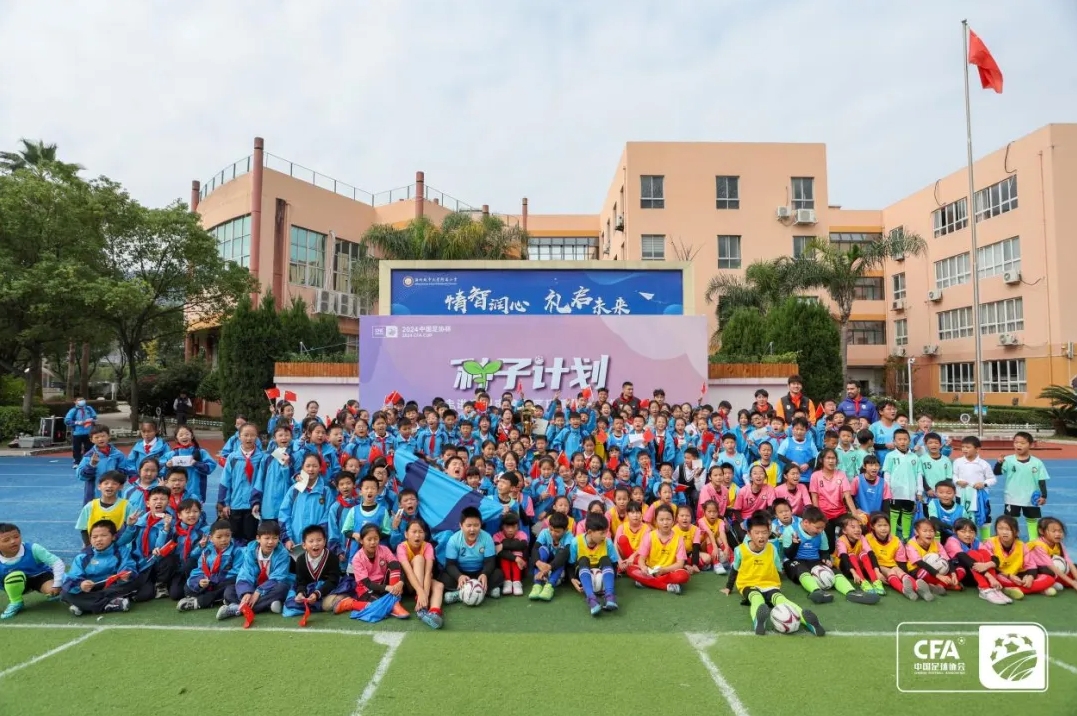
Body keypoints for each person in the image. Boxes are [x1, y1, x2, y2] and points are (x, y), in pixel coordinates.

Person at [721, 511, 825, 636]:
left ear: (769, 532)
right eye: (757, 533)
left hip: (770, 584)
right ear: (749, 534)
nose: (761, 536)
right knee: (756, 598)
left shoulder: (772, 549)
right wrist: (728, 587)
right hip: (748, 584)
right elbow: (735, 569)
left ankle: (810, 622)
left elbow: (779, 568)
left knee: (782, 600)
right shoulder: (740, 550)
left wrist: (781, 571)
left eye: (764, 532)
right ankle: (759, 621)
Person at [782, 506, 878, 605]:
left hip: (814, 560)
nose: (820, 531)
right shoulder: (790, 530)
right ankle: (816, 591)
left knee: (835, 571)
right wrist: (795, 544)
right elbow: (789, 555)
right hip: (795, 560)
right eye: (817, 528)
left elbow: (824, 551)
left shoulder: (821, 533)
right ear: (806, 523)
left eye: (822, 528)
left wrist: (825, 559)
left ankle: (851, 592)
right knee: (800, 569)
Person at [217, 520, 291, 624]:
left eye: (275, 538)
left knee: (282, 588)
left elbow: (278, 577)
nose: (271, 542)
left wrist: (258, 592)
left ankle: (237, 608)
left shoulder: (282, 553)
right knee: (229, 591)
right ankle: (267, 605)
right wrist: (246, 592)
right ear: (258, 538)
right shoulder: (251, 551)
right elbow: (245, 573)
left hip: (270, 587)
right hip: (254, 586)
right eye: (267, 538)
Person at [61, 520, 138, 616]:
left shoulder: (121, 551)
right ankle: (109, 604)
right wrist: (81, 584)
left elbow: (129, 566)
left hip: (112, 586)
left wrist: (127, 574)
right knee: (65, 593)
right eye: (94, 537)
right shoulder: (82, 557)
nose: (98, 540)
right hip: (91, 588)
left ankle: (83, 605)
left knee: (130, 584)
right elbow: (73, 577)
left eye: (103, 536)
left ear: (113, 537)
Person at [333, 524, 409, 619]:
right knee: (377, 607)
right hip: (367, 590)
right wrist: (387, 588)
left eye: (376, 539)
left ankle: (395, 603)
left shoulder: (384, 550)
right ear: (361, 541)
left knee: (394, 564)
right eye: (369, 539)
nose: (373, 542)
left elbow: (398, 566)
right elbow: (367, 583)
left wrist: (401, 582)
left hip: (384, 586)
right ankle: (349, 603)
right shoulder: (357, 559)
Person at [0, 523, 65, 619]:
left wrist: (57, 584)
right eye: (6, 540)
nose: (13, 541)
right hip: (11, 583)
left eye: (16, 537)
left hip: (39, 577)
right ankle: (16, 602)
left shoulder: (33, 548)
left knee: (54, 589)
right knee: (15, 576)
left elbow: (57, 562)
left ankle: (55, 593)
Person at [559, 512, 619, 616]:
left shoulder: (607, 542)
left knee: (605, 559)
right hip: (583, 576)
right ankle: (591, 599)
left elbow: (614, 564)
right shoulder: (576, 542)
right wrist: (572, 579)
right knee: (583, 559)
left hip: (602, 578)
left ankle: (609, 596)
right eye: (602, 533)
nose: (605, 536)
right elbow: (570, 565)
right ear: (590, 532)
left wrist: (609, 582)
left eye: (606, 532)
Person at [982, 515, 1057, 598]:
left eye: (1008, 529)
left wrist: (1030, 577)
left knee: (1050, 578)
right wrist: (1009, 576)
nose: (1004, 532)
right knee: (996, 578)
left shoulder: (1022, 546)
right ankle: (1039, 588)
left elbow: (1031, 566)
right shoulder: (990, 543)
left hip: (1019, 575)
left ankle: (1013, 589)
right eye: (1000, 529)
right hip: (1001, 575)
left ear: (1016, 532)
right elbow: (987, 565)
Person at [439, 507, 503, 603]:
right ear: (461, 526)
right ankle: (484, 591)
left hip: (480, 572)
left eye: (476, 525)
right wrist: (459, 576)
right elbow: (450, 564)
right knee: (444, 578)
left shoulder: (487, 538)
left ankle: (461, 593)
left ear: (481, 524)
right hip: (462, 573)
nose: (472, 529)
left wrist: (485, 573)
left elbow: (490, 561)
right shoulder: (453, 540)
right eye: (468, 525)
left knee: (498, 574)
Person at [217, 423, 267, 545]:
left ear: (257, 437)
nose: (249, 438)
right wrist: (225, 503)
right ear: (239, 437)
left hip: (252, 506)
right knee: (234, 537)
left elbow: (263, 482)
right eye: (246, 435)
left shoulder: (262, 458)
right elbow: (225, 481)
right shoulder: (233, 458)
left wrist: (258, 501)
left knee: (250, 537)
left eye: (252, 435)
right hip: (235, 504)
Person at [943, 517, 1012, 605]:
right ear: (955, 532)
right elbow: (966, 560)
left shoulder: (975, 541)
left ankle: (994, 588)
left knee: (984, 552)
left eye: (971, 532)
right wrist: (990, 576)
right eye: (963, 531)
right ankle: (984, 589)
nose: (968, 535)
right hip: (961, 574)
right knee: (972, 553)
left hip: (977, 573)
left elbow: (994, 558)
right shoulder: (952, 541)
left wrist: (988, 565)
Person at [994, 431, 1049, 539]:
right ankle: (1011, 540)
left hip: (1031, 498)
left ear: (1030, 445)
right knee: (1011, 520)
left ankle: (1033, 542)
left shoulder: (1037, 462)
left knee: (1032, 520)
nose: (1018, 445)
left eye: (1022, 443)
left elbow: (1041, 480)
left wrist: (1044, 496)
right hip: (1012, 497)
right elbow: (997, 472)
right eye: (1016, 442)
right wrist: (999, 463)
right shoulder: (1008, 460)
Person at [282, 525, 345, 618]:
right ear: (304, 545)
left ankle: (340, 600)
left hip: (326, 589)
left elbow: (333, 580)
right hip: (308, 590)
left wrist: (317, 593)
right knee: (291, 604)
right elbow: (301, 581)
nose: (315, 544)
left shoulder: (332, 558)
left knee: (328, 603)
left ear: (325, 542)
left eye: (319, 540)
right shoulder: (300, 560)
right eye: (311, 541)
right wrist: (301, 593)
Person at [625, 504, 690, 594]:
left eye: (668, 519)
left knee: (683, 575)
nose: (665, 523)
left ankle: (646, 581)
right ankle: (667, 587)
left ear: (673, 521)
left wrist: (664, 570)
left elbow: (680, 564)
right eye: (661, 520)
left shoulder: (679, 539)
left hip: (669, 571)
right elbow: (641, 559)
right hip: (650, 570)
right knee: (630, 569)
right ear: (656, 521)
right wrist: (643, 567)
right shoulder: (649, 536)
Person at [177, 520, 239, 611]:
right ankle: (215, 598)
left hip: (223, 581)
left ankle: (201, 601)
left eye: (227, 536)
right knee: (188, 587)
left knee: (232, 584)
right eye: (219, 537)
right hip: (210, 582)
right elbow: (200, 569)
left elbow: (236, 572)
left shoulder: (237, 551)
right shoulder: (207, 551)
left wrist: (214, 579)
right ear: (211, 538)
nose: (224, 539)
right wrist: (199, 582)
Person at [396, 518, 445, 628]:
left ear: (425, 534)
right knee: (419, 559)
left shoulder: (427, 546)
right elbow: (408, 572)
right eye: (414, 532)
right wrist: (420, 593)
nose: (417, 535)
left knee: (439, 586)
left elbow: (428, 572)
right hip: (408, 584)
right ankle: (422, 609)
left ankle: (434, 613)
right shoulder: (401, 547)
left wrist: (425, 595)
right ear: (406, 534)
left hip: (423, 583)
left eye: (420, 532)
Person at [902, 519, 961, 599]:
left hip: (937, 570)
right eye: (925, 531)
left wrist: (953, 574)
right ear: (916, 532)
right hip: (918, 570)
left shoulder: (936, 543)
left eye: (931, 531)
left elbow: (947, 558)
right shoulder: (911, 544)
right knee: (923, 573)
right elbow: (920, 563)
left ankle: (938, 585)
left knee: (960, 570)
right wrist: (939, 576)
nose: (929, 534)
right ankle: (945, 584)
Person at [882, 428, 921, 541]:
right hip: (895, 492)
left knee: (907, 515)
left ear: (909, 441)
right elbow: (887, 473)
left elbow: (918, 474)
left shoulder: (914, 457)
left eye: (905, 439)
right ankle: (892, 538)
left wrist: (919, 491)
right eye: (899, 439)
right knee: (893, 515)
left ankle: (906, 538)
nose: (902, 442)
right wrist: (887, 489)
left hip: (910, 492)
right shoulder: (890, 456)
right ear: (894, 441)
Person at [953, 436, 995, 539]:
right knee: (963, 519)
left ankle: (985, 541)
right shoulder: (958, 462)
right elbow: (954, 475)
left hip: (978, 498)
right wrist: (958, 481)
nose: (964, 449)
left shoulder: (983, 464)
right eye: (963, 447)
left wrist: (983, 484)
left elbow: (992, 479)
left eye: (968, 447)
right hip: (961, 496)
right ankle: (966, 541)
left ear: (977, 449)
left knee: (984, 519)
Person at [160, 426, 216, 504]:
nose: (184, 437)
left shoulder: (201, 453)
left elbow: (210, 467)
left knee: (194, 510)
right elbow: (159, 471)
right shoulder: (171, 455)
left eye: (187, 434)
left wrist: (196, 464)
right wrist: (166, 465)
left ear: (192, 436)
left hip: (196, 493)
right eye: (181, 435)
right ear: (176, 438)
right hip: (174, 494)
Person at [74, 471, 132, 545]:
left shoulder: (126, 506)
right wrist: (89, 546)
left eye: (114, 483)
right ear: (99, 486)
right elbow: (83, 528)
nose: (110, 486)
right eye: (106, 483)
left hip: (117, 547)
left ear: (121, 487)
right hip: (95, 547)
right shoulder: (90, 506)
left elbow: (131, 528)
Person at [77, 426, 126, 505]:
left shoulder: (118, 455)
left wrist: (118, 475)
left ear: (109, 436)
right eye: (96, 437)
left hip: (114, 493)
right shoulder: (89, 456)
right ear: (91, 440)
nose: (100, 439)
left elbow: (124, 471)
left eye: (103, 436)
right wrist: (91, 465)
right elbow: (81, 476)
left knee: (115, 510)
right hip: (94, 494)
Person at [529, 511, 572, 601]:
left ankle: (549, 586)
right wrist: (538, 563)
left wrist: (549, 567)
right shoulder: (544, 532)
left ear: (565, 530)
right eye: (551, 529)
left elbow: (566, 553)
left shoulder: (569, 535)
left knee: (562, 553)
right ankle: (537, 585)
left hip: (558, 567)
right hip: (544, 565)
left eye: (557, 531)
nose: (553, 533)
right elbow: (535, 549)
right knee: (542, 549)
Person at [493, 512, 529, 596]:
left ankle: (517, 582)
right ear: (502, 526)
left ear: (518, 526)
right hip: (503, 568)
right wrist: (515, 558)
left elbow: (523, 545)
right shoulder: (497, 536)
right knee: (504, 556)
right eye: (507, 527)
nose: (510, 530)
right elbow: (498, 551)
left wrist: (503, 545)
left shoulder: (521, 534)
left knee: (517, 552)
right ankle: (507, 582)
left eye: (513, 527)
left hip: (520, 567)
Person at [64, 396, 97, 469]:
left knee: (89, 448)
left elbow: (95, 417)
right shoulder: (73, 410)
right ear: (75, 402)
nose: (81, 401)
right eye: (79, 400)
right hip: (77, 433)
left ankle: (88, 462)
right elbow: (67, 421)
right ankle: (77, 462)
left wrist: (91, 420)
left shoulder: (89, 408)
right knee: (77, 448)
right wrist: (77, 422)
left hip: (88, 432)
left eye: (82, 400)